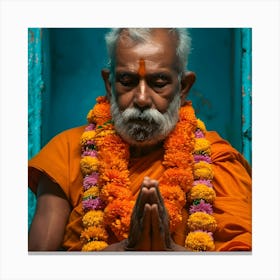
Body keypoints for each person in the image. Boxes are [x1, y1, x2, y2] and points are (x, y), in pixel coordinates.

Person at [28, 28, 252, 252]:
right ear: (109, 84)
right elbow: (33, 266)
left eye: (159, 82)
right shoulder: (67, 152)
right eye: (127, 81)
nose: (142, 99)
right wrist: (116, 255)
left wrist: (170, 254)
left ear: (183, 87)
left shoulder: (216, 159)